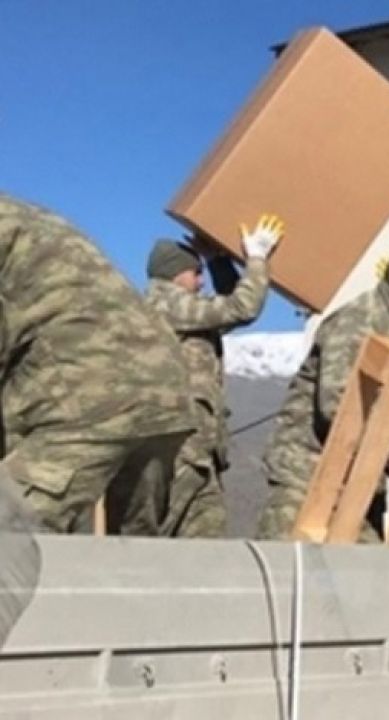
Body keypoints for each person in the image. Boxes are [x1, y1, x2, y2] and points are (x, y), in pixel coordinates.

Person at [0, 192, 194, 535]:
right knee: (131, 552)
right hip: (165, 389)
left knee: (10, 535)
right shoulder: (31, 219)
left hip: (85, 394)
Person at [255, 245, 389, 541]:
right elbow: (337, 406)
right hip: (308, 473)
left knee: (364, 566)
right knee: (288, 563)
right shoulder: (356, 323)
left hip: (360, 476)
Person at [144, 216, 284, 537]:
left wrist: (217, 261)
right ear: (176, 274)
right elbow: (241, 308)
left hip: (200, 452)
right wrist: (257, 259)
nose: (201, 282)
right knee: (153, 537)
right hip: (179, 450)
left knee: (206, 542)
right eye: (197, 273)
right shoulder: (167, 302)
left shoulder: (185, 310)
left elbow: (228, 308)